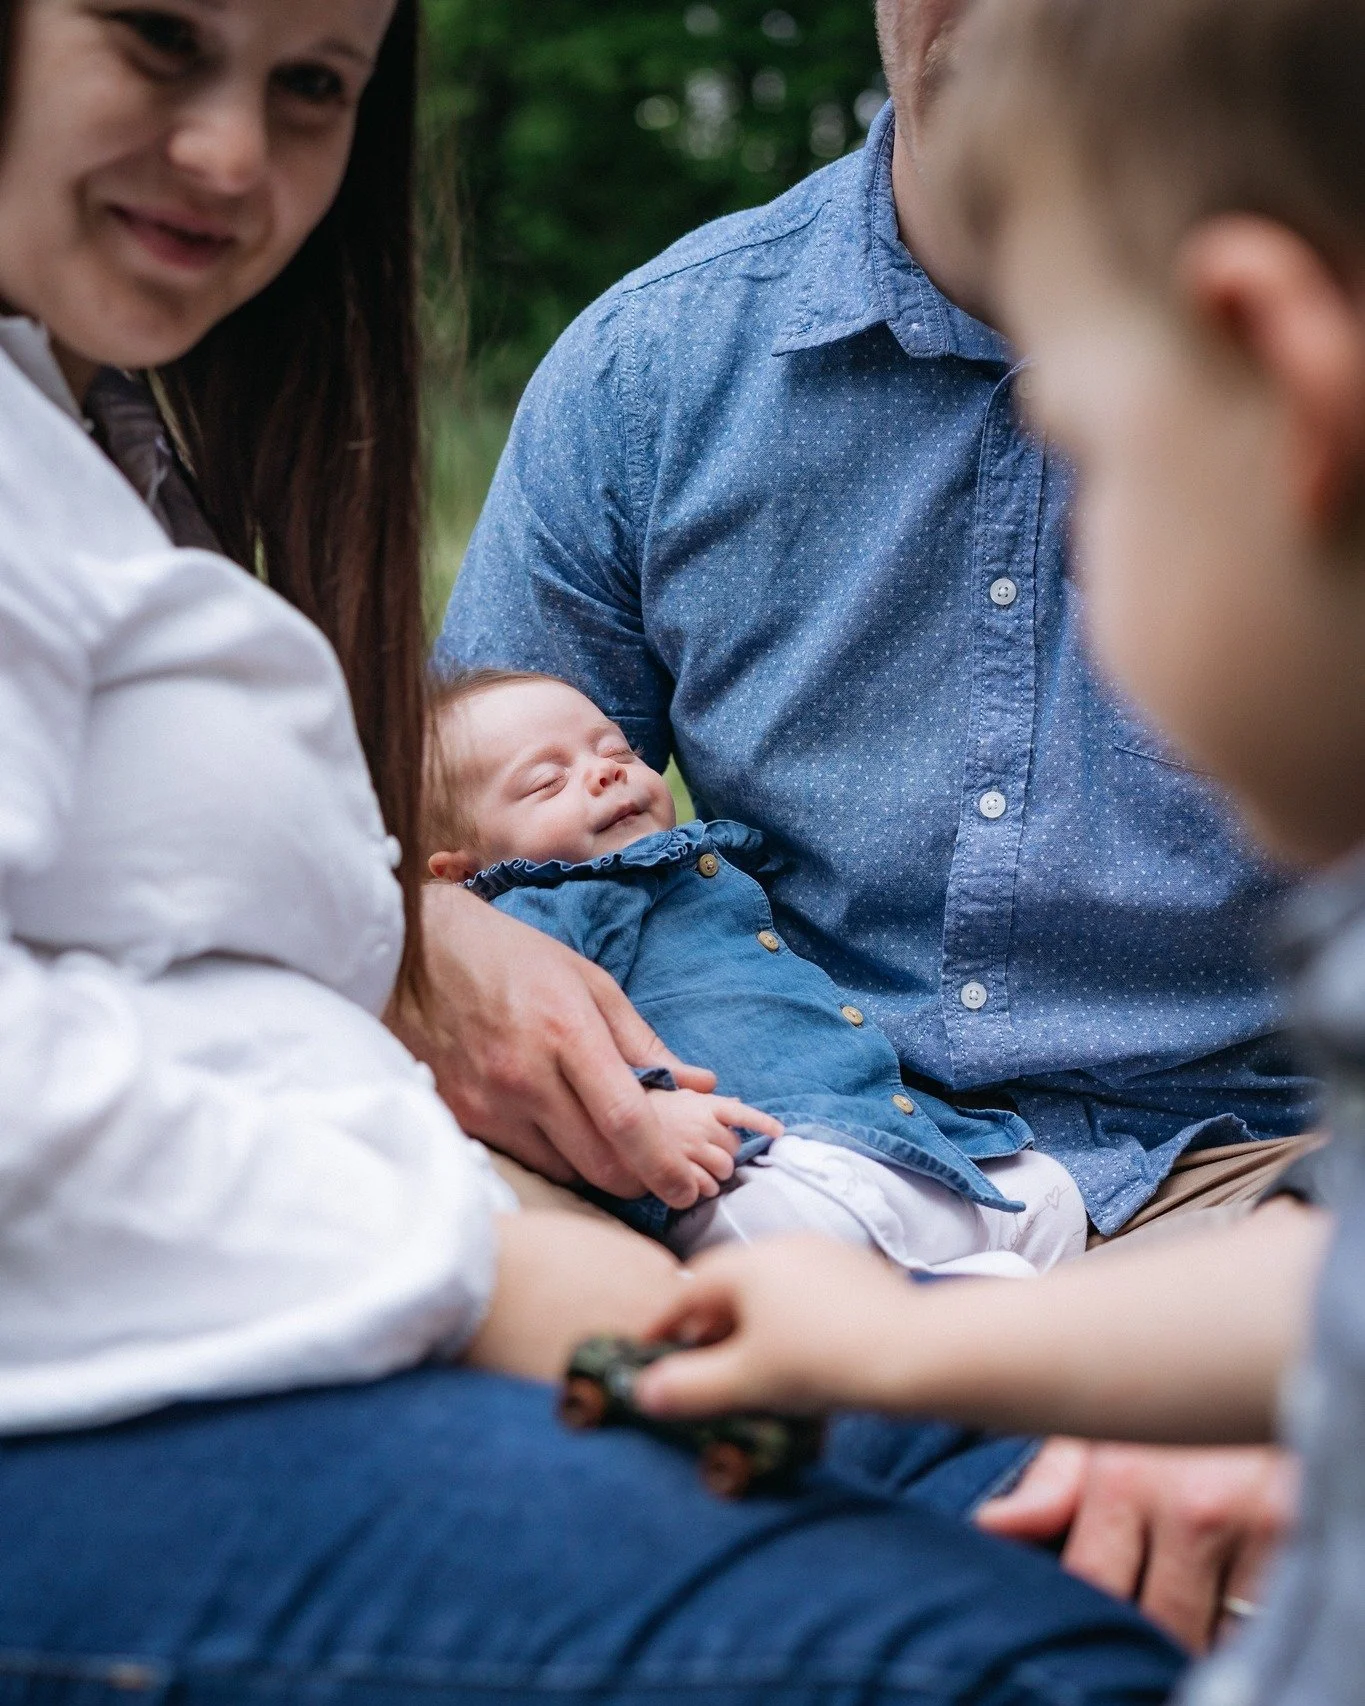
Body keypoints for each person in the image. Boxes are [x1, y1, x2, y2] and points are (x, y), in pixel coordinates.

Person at [0, 1, 1185, 1698]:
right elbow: (481, 793)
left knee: (1100, 1554)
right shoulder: (659, 366)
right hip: (602, 1220)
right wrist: (487, 1225)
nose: (229, 154)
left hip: (1170, 1186)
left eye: (314, 85)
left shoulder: (105, 434)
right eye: (154, 42)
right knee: (1013, 1653)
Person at [422, 0, 1313, 1641]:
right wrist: (443, 938)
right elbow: (450, 813)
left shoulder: (1286, 353)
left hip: (1247, 1164)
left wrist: (1311, 1344)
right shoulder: (657, 364)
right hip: (770, 1138)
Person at [424, 668, 1087, 1273]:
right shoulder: (535, 916)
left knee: (1049, 1192)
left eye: (616, 751)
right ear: (458, 873)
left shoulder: (708, 863)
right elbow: (553, 1040)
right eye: (546, 781)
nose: (604, 773)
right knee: (789, 1230)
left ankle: (955, 1293)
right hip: (757, 1156)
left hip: (883, 1135)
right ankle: (927, 1302)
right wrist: (651, 1100)